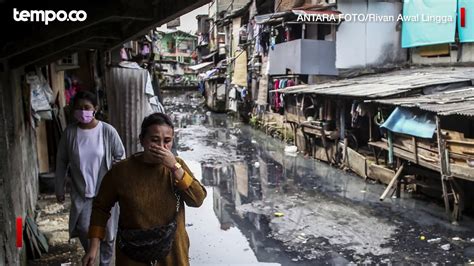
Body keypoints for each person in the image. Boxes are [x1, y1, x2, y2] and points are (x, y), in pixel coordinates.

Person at [82, 113, 207, 266]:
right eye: (154, 140)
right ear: (142, 140)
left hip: (173, 252)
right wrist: (93, 247)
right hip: (132, 254)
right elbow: (101, 208)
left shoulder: (177, 166)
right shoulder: (121, 171)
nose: (162, 147)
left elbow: (197, 199)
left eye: (167, 141)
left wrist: (175, 167)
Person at [55, 90, 125, 265]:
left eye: (86, 107)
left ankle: (105, 263)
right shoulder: (70, 133)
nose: (82, 111)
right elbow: (61, 161)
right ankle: (92, 255)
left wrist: (116, 171)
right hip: (82, 193)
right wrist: (59, 187)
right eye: (78, 108)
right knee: (84, 228)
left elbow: (120, 155)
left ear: (96, 108)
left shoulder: (108, 131)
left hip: (106, 194)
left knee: (109, 235)